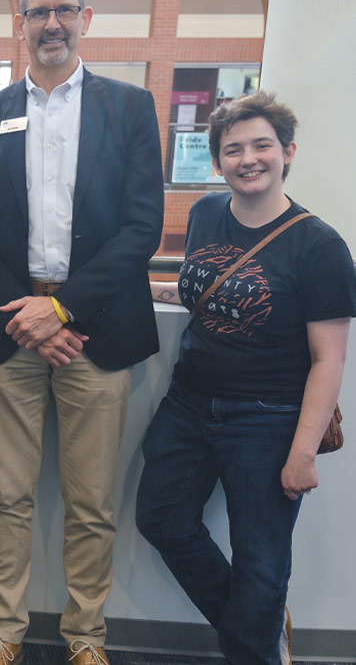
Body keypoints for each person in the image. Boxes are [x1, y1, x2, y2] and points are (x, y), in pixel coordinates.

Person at [0, 0, 164, 663]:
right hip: (10, 328)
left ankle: (85, 640)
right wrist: (28, 314)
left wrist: (64, 309)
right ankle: (4, 636)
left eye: (63, 11)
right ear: (21, 23)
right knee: (5, 498)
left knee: (91, 504)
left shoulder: (130, 110)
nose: (51, 25)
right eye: (38, 13)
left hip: (94, 331)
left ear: (86, 17)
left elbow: (142, 229)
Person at [136, 92, 355, 665]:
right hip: (188, 403)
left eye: (262, 146)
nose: (248, 159)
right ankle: (257, 629)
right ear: (217, 162)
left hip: (269, 417)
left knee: (260, 558)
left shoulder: (321, 246)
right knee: (161, 519)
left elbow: (329, 359)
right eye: (232, 149)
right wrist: (144, 291)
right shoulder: (207, 212)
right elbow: (203, 288)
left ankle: (252, 648)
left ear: (287, 152)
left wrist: (302, 453)